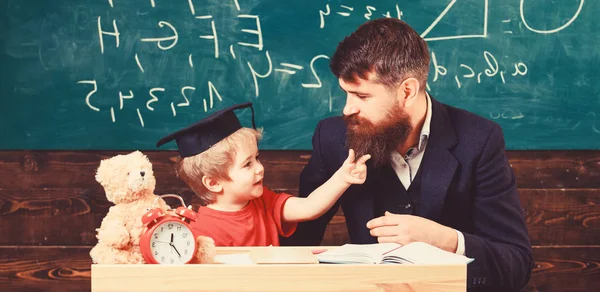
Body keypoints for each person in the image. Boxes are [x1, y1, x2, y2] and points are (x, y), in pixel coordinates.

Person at [280, 18, 534, 291]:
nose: (347, 109)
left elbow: (516, 265)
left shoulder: (480, 139)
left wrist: (447, 240)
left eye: (362, 96)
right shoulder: (332, 139)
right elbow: (295, 244)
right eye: (345, 93)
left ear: (407, 91)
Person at [156, 102, 370, 247]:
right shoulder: (198, 230)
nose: (260, 168)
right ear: (213, 182)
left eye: (257, 158)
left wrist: (342, 177)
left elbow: (309, 207)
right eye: (247, 164)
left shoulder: (265, 203)